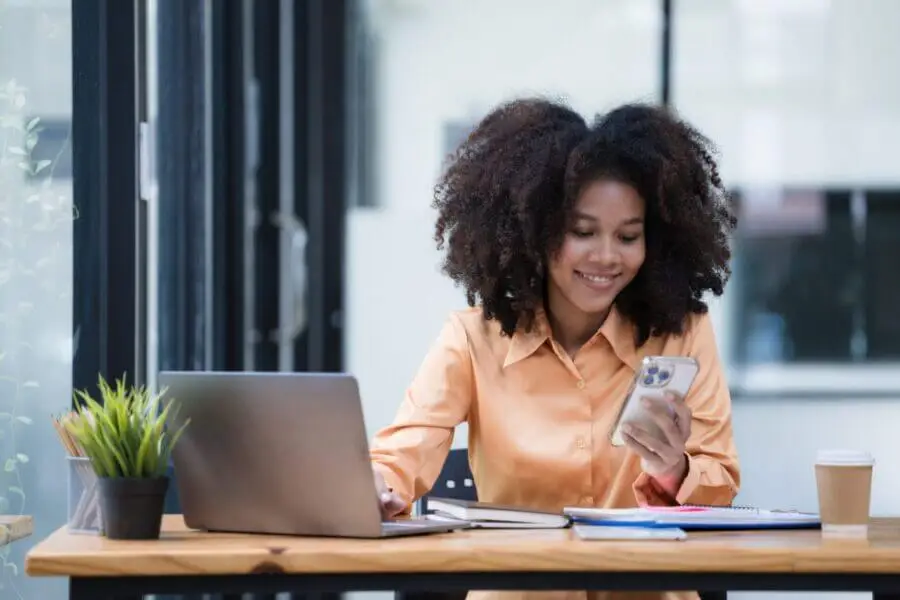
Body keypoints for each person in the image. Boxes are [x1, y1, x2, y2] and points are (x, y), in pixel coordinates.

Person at [369, 97, 741, 600]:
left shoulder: (683, 333)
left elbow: (719, 484)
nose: (606, 257)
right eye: (582, 232)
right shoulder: (473, 339)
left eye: (628, 236)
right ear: (535, 234)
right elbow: (399, 457)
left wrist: (674, 470)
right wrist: (372, 485)